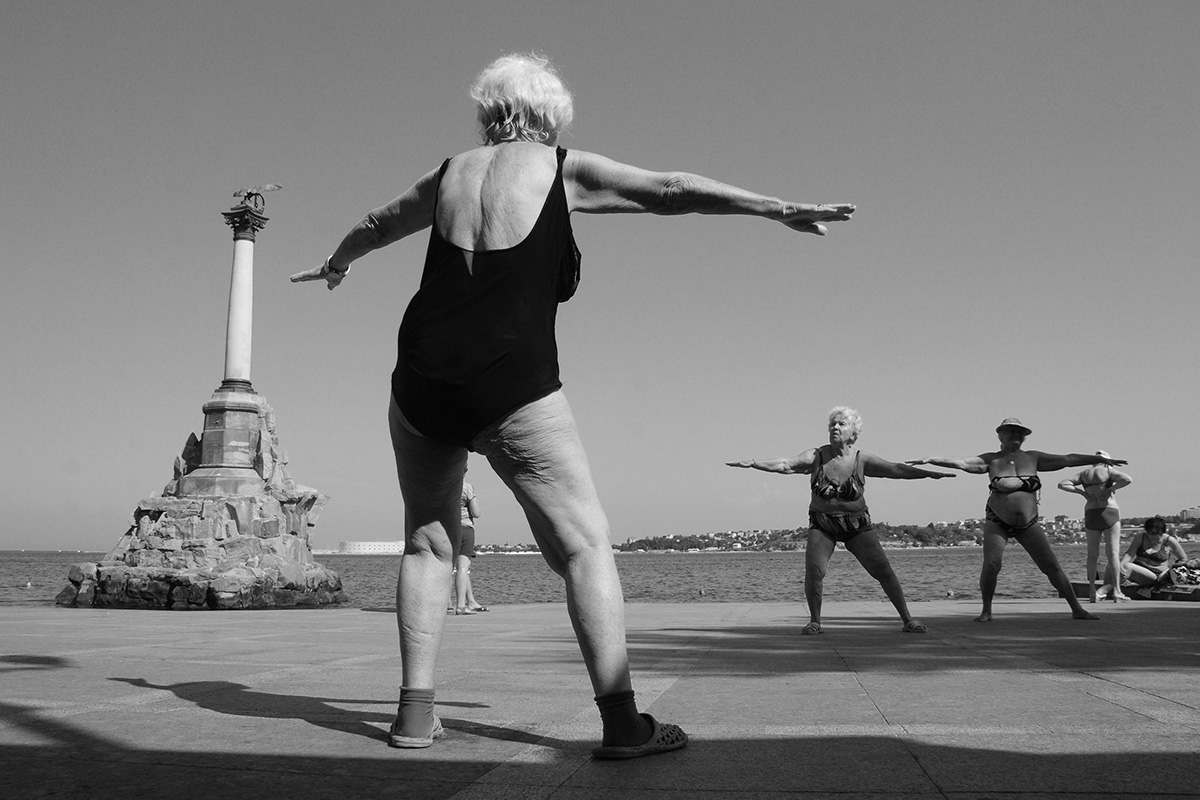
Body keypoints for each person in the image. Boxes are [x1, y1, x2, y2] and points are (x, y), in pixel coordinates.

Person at [291, 52, 854, 757]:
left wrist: (337, 263)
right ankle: (623, 723)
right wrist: (775, 208)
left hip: (420, 375)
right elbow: (670, 188)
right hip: (513, 380)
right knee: (586, 546)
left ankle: (413, 717)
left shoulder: (446, 175)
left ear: (487, 111)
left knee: (427, 543)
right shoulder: (561, 168)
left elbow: (376, 223)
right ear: (551, 112)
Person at [726, 406, 953, 634]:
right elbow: (786, 464)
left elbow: (894, 469)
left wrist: (928, 474)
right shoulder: (817, 455)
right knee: (814, 571)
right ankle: (815, 621)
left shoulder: (860, 458)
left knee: (882, 570)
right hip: (822, 524)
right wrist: (755, 463)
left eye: (841, 424)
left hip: (857, 525)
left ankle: (907, 619)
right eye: (832, 424)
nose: (835, 427)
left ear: (853, 432)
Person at [909, 418, 1125, 622]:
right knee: (992, 565)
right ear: (1000, 435)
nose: (1016, 435)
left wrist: (1098, 459)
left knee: (1051, 565)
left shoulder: (1033, 457)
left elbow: (1068, 459)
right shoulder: (991, 459)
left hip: (1028, 523)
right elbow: (962, 462)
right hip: (997, 521)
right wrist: (931, 459)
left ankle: (1077, 609)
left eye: (1020, 432)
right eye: (1011, 431)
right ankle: (986, 610)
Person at [1057, 454, 1133, 602]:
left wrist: (1081, 492)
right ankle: (1117, 591)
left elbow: (1061, 484)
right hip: (1108, 510)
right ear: (1107, 461)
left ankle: (1092, 590)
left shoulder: (1084, 474)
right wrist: (1110, 488)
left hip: (1091, 512)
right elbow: (1127, 479)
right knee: (1113, 554)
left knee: (1092, 555)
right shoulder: (1108, 472)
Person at [451, 472, 488, 614]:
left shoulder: (443, 486)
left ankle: (470, 601)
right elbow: (476, 512)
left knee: (452, 567)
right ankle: (461, 606)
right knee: (462, 567)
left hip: (447, 529)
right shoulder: (466, 488)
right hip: (464, 528)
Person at [1120, 516, 1187, 588]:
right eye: (1150, 533)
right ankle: (1113, 587)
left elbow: (1183, 559)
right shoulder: (1140, 537)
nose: (1154, 536)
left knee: (1127, 566)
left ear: (1162, 532)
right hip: (1138, 571)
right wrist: (1120, 565)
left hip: (1156, 575)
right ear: (1146, 531)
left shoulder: (1169, 541)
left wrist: (1171, 572)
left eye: (1158, 534)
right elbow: (1129, 554)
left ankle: (1110, 588)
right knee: (1114, 565)